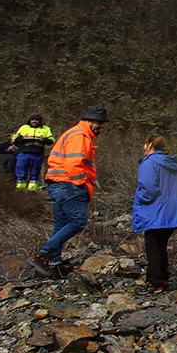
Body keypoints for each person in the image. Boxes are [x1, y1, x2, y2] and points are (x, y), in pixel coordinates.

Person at [30, 105, 108, 277]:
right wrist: (82, 183)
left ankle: (54, 263)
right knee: (78, 221)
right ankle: (45, 253)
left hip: (57, 184)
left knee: (60, 223)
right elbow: (74, 164)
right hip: (69, 185)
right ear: (88, 120)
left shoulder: (74, 133)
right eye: (99, 122)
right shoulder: (80, 136)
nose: (101, 126)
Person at [133, 135, 177, 293]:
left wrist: (139, 198)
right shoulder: (172, 163)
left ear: (150, 145)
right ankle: (163, 279)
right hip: (172, 213)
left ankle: (156, 282)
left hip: (155, 212)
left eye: (145, 144)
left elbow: (148, 189)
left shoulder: (149, 163)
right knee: (160, 245)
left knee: (153, 247)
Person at [10, 113, 54, 191]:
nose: (34, 121)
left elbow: (51, 140)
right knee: (21, 170)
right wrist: (22, 138)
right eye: (33, 120)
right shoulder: (24, 128)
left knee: (35, 172)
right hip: (24, 153)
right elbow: (15, 138)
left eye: (37, 120)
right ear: (30, 120)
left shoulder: (46, 129)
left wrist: (44, 139)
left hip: (37, 154)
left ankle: (32, 190)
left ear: (40, 121)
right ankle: (20, 188)